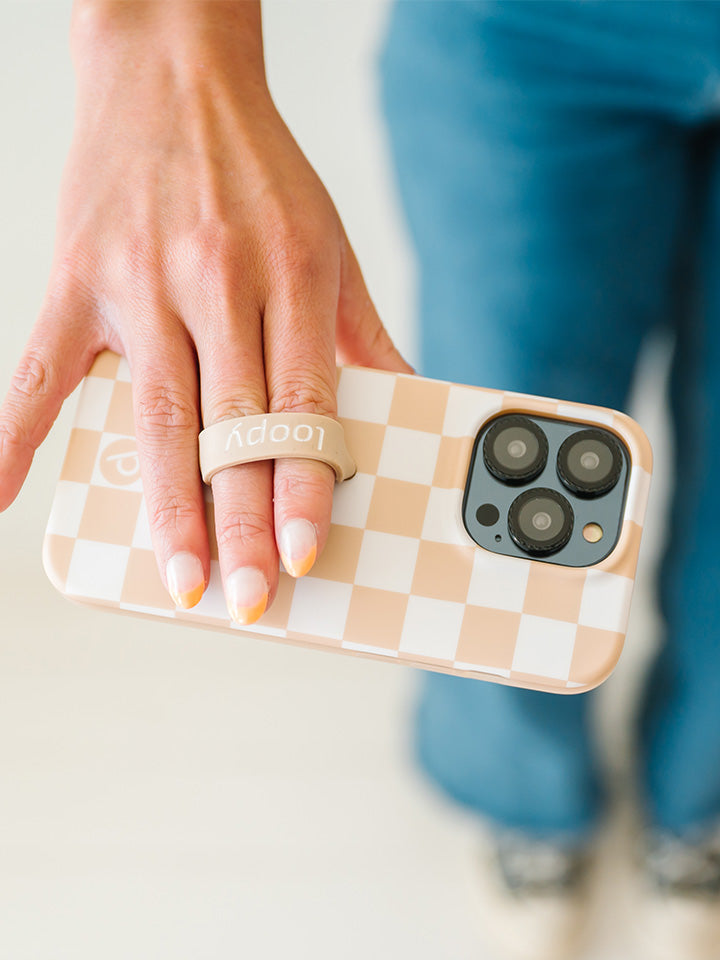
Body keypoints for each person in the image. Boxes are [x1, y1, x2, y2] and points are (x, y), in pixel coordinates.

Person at [1, 2, 719, 958]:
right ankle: (528, 806)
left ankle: (701, 803)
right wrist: (163, 44)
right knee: (497, 430)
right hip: (523, 26)